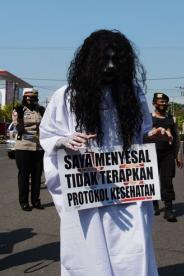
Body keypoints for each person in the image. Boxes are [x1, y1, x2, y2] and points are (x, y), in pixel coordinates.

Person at [39, 29, 163, 276]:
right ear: (90, 62)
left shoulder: (134, 95)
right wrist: (65, 141)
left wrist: (151, 135)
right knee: (89, 253)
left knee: (132, 250)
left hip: (127, 193)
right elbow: (48, 136)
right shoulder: (66, 96)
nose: (109, 67)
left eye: (115, 60)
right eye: (103, 59)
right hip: (87, 191)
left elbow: (140, 133)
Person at [147, 92, 182, 222]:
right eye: (160, 101)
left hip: (167, 154)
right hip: (150, 154)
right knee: (152, 179)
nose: (163, 104)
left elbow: (177, 139)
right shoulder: (148, 118)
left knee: (167, 181)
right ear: (154, 103)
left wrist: (178, 155)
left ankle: (168, 209)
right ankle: (154, 204)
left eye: (165, 102)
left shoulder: (171, 119)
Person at [14, 88, 45, 211]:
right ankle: (24, 202)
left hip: (38, 147)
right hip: (24, 147)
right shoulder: (19, 110)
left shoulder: (39, 110)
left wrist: (45, 114)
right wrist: (20, 117)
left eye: (33, 97)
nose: (30, 99)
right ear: (24, 97)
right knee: (24, 176)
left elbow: (45, 127)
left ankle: (36, 201)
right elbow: (19, 129)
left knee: (37, 176)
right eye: (28, 97)